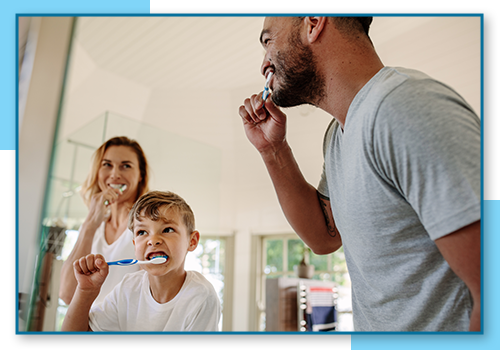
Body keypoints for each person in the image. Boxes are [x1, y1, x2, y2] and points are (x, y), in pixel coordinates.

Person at [238, 17, 480, 331]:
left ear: (313, 22)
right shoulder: (338, 135)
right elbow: (325, 236)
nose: (264, 65)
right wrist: (273, 150)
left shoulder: (406, 108)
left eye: (268, 41)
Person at [61, 190, 221, 332]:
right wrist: (86, 291)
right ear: (134, 244)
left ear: (192, 241)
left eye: (167, 229)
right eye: (142, 232)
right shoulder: (128, 288)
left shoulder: (201, 297)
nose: (153, 240)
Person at [59, 136, 150, 306]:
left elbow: (149, 297)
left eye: (126, 166)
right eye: (107, 165)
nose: (115, 174)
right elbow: (66, 294)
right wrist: (90, 225)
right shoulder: (93, 228)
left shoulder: (147, 226)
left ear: (140, 175)